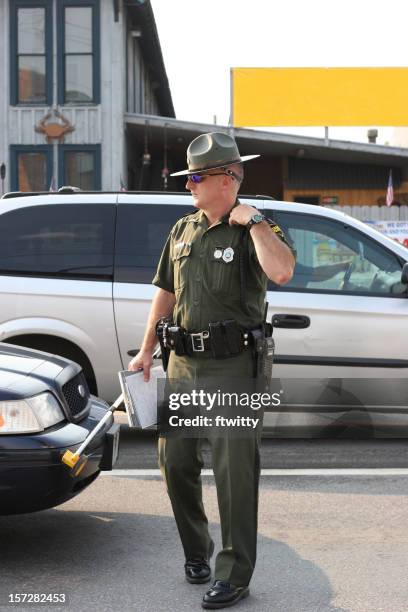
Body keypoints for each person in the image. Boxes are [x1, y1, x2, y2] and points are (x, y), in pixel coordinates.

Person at [128, 132, 295, 609]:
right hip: (181, 362)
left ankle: (234, 573)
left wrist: (257, 221)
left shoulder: (256, 227)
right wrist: (144, 351)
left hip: (232, 367)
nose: (189, 187)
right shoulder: (183, 230)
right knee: (174, 463)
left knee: (233, 474)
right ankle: (196, 551)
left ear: (227, 180)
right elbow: (166, 291)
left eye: (196, 178)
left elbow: (281, 272)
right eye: (188, 179)